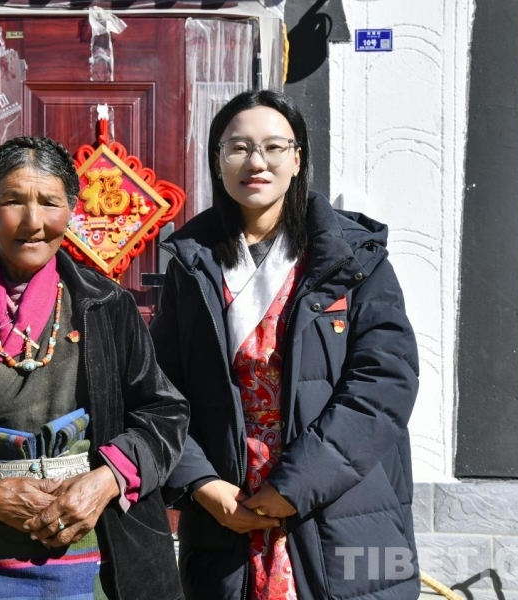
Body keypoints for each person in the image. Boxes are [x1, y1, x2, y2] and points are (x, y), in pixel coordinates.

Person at [0, 136, 188, 600]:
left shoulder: (108, 305)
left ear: (71, 210)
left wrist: (105, 481)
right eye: (13, 201)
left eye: (50, 202)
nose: (33, 222)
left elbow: (164, 414)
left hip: (97, 550)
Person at [150, 89, 421, 599]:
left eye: (274, 147)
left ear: (297, 159)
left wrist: (293, 486)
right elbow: (160, 392)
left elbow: (385, 383)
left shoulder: (354, 258)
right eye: (238, 147)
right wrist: (202, 485)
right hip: (227, 513)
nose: (257, 162)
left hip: (343, 507)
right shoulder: (192, 264)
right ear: (217, 161)